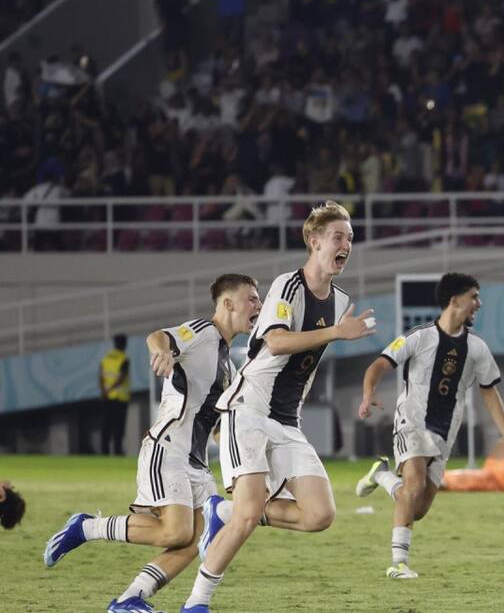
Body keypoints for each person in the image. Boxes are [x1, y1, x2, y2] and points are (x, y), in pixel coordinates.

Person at [181, 201, 376, 613]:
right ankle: (196, 603)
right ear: (314, 240)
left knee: (320, 514)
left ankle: (224, 509)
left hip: (287, 420)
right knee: (249, 518)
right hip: (249, 409)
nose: (347, 244)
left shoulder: (341, 300)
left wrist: (336, 333)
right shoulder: (289, 284)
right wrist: (339, 334)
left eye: (351, 238)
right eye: (338, 236)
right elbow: (276, 341)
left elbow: (308, 358)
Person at [43, 275, 262, 613]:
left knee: (197, 541)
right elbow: (158, 336)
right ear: (227, 304)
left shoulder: (228, 367)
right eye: (252, 298)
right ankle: (86, 527)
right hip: (168, 450)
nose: (258, 306)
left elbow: (211, 423)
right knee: (175, 533)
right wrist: (161, 351)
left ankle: (130, 599)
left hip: (197, 463)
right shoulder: (203, 331)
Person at [353, 272, 504, 579]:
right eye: (474, 296)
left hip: (444, 433)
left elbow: (489, 390)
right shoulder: (418, 337)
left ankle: (381, 475)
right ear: (455, 300)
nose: (479, 303)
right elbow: (379, 365)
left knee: (417, 507)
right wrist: (369, 393)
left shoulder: (477, 348)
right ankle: (398, 564)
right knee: (414, 485)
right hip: (411, 422)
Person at [99, 334, 132, 455]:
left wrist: (104, 391)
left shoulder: (106, 358)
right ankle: (117, 452)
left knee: (106, 426)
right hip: (120, 398)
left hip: (107, 397)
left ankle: (104, 452)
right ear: (124, 344)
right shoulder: (124, 359)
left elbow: (101, 376)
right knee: (118, 428)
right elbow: (121, 378)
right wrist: (111, 389)